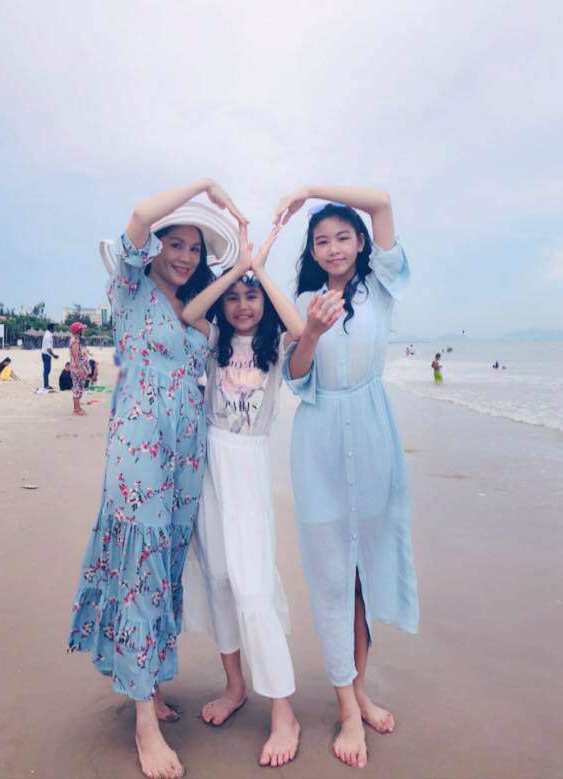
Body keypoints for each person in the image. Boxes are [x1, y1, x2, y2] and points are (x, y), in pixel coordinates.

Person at [68, 179, 246, 779]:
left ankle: (147, 685)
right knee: (140, 561)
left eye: (196, 248)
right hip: (139, 445)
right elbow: (140, 214)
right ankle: (145, 723)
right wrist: (204, 186)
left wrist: (243, 262)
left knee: (164, 566)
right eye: (177, 244)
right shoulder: (130, 286)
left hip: (187, 452)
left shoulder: (197, 306)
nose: (186, 256)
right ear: (157, 246)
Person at [276, 186, 419, 769]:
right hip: (320, 442)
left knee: (364, 575)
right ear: (312, 251)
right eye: (321, 241)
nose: (333, 248)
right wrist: (310, 331)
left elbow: (381, 201)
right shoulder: (302, 300)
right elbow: (296, 376)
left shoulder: (380, 287)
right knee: (332, 575)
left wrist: (312, 192)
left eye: (342, 237)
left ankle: (358, 691)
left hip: (374, 436)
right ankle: (348, 710)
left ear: (361, 242)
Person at [181, 224, 303, 767]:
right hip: (210, 464)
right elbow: (191, 311)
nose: (242, 305)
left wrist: (260, 271)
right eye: (233, 297)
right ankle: (235, 686)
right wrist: (234, 270)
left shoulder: (275, 345)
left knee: (253, 586)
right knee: (218, 578)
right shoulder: (213, 339)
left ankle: (284, 711)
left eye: (251, 296)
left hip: (248, 468)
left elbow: (300, 327)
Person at [68, 322, 90, 415]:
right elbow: (76, 357)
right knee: (77, 388)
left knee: (79, 388)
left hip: (77, 368)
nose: (83, 331)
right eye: (82, 329)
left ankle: (78, 408)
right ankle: (76, 410)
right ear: (78, 331)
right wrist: (80, 369)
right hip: (77, 369)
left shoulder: (76, 340)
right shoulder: (75, 342)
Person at [41, 323, 59, 389]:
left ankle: (46, 384)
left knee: (47, 370)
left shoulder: (47, 334)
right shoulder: (48, 336)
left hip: (45, 354)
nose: (54, 329)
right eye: (54, 328)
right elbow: (48, 349)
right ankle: (46, 385)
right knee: (47, 370)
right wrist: (54, 355)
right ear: (51, 328)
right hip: (46, 354)